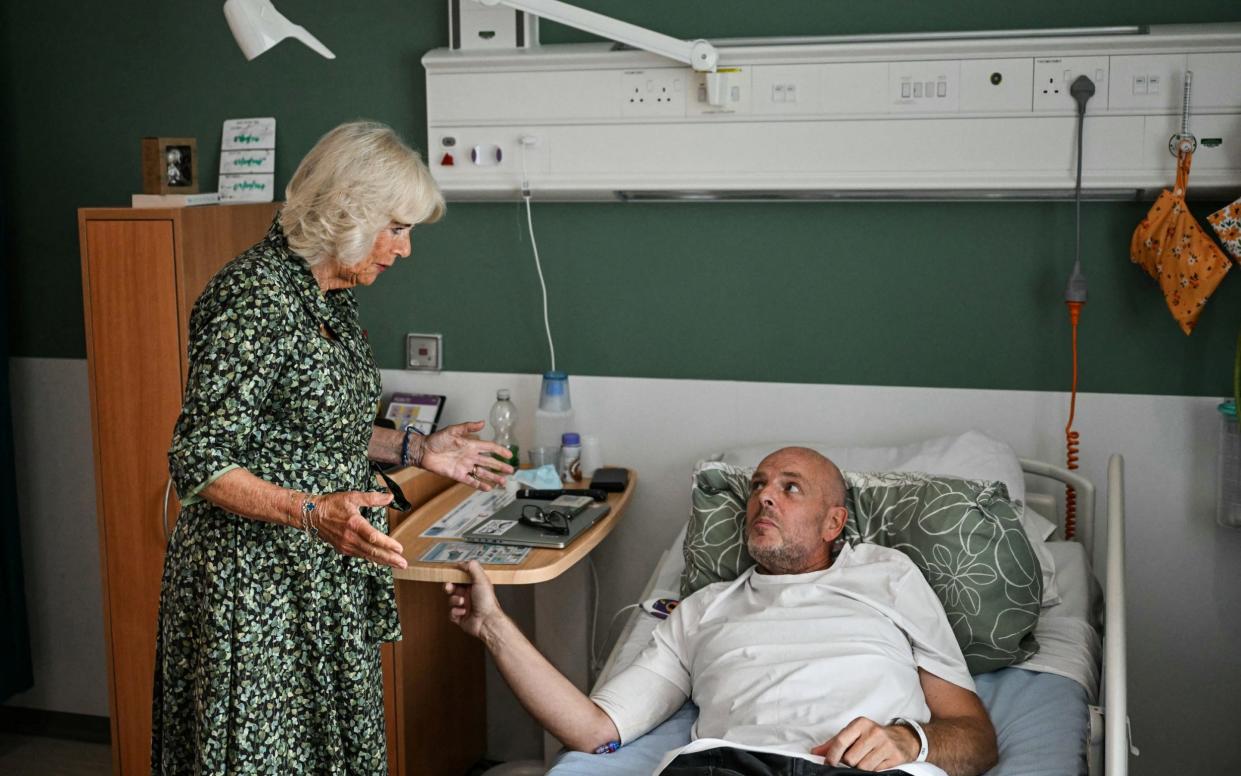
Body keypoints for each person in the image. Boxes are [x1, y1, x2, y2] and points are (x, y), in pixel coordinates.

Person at [154, 120, 514, 775]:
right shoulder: (254, 295)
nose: (403, 250)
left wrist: (417, 447)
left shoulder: (328, 295)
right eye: (398, 229)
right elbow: (198, 460)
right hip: (257, 585)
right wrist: (312, 513)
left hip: (320, 570)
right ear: (350, 212)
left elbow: (313, 428)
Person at [444, 447, 999, 776]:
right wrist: (494, 626)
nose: (764, 497)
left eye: (790, 488)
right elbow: (594, 730)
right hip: (728, 765)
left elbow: (975, 737)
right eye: (758, 486)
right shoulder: (703, 609)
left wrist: (910, 741)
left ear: (834, 524)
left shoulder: (889, 576)